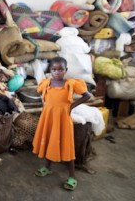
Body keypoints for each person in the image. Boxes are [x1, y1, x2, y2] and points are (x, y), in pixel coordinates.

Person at [32, 56, 91, 191]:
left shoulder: (71, 84)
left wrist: (71, 106)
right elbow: (43, 96)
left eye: (60, 69)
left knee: (66, 146)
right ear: (50, 70)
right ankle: (47, 167)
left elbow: (87, 96)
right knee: (48, 142)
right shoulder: (46, 83)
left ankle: (72, 176)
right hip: (48, 119)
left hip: (63, 120)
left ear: (66, 70)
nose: (57, 72)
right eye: (54, 69)